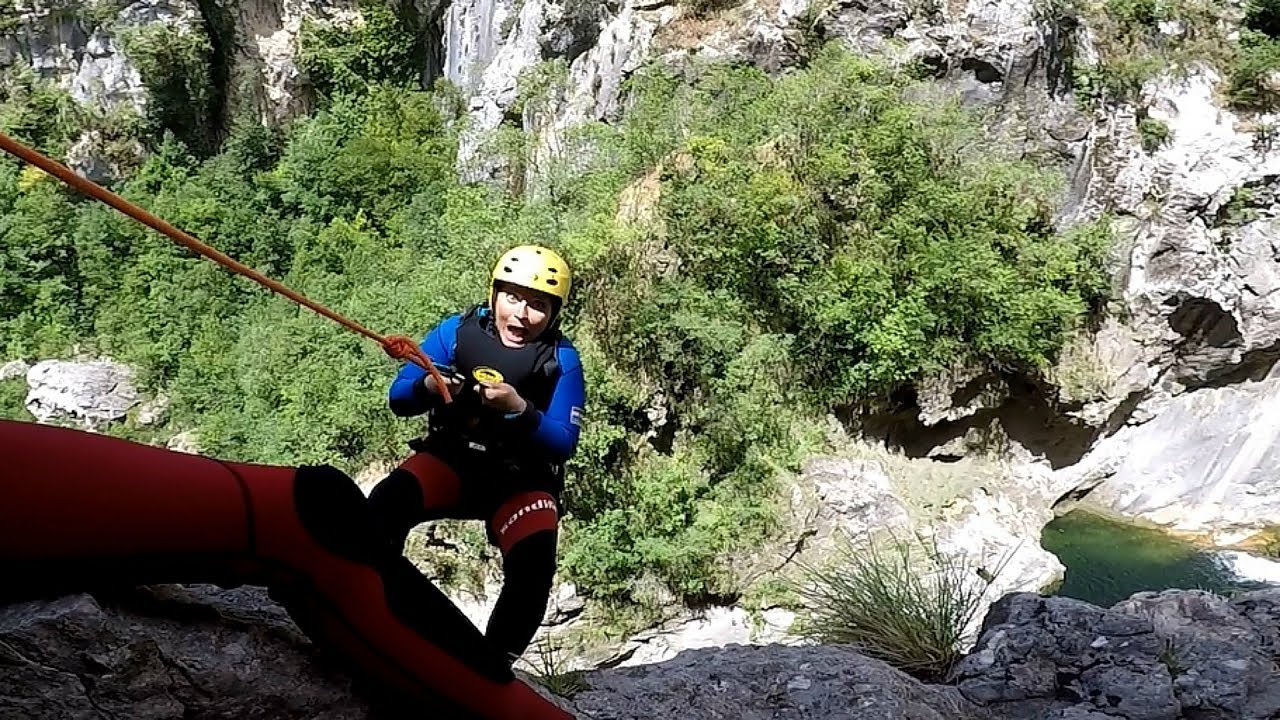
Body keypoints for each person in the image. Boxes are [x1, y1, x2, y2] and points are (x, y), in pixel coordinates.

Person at [368, 244, 586, 667]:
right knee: (387, 503)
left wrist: (520, 410)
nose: (522, 315)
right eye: (513, 298)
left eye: (538, 305)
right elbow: (399, 398)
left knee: (534, 564)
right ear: (494, 295)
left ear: (553, 314)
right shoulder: (456, 333)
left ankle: (492, 665)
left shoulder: (561, 360)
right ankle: (372, 606)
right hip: (453, 461)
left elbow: (563, 442)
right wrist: (429, 387)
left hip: (521, 480)